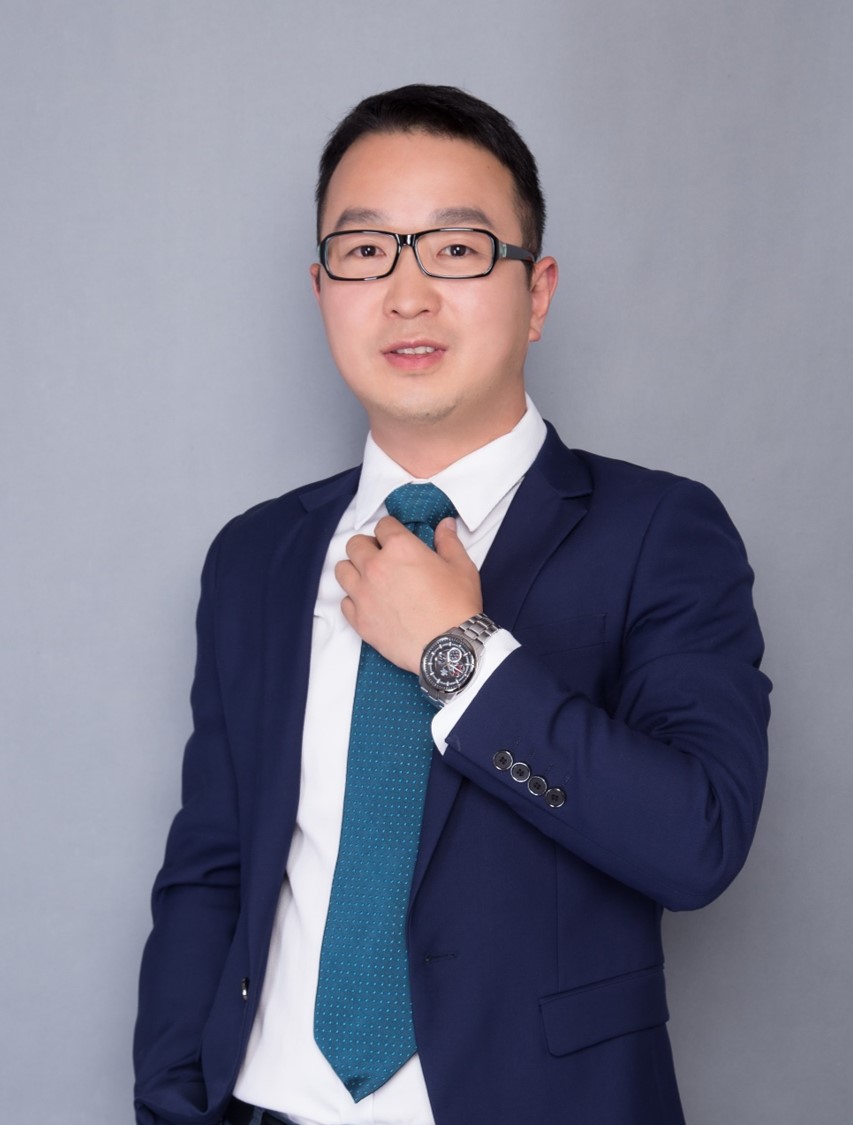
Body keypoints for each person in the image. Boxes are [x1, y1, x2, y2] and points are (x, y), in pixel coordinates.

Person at [134, 84, 771, 1125]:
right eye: (364, 251)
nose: (406, 294)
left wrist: (457, 652)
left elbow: (695, 841)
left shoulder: (659, 532)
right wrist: (172, 1097)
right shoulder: (255, 556)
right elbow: (211, 868)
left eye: (457, 250)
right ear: (321, 287)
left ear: (536, 291)